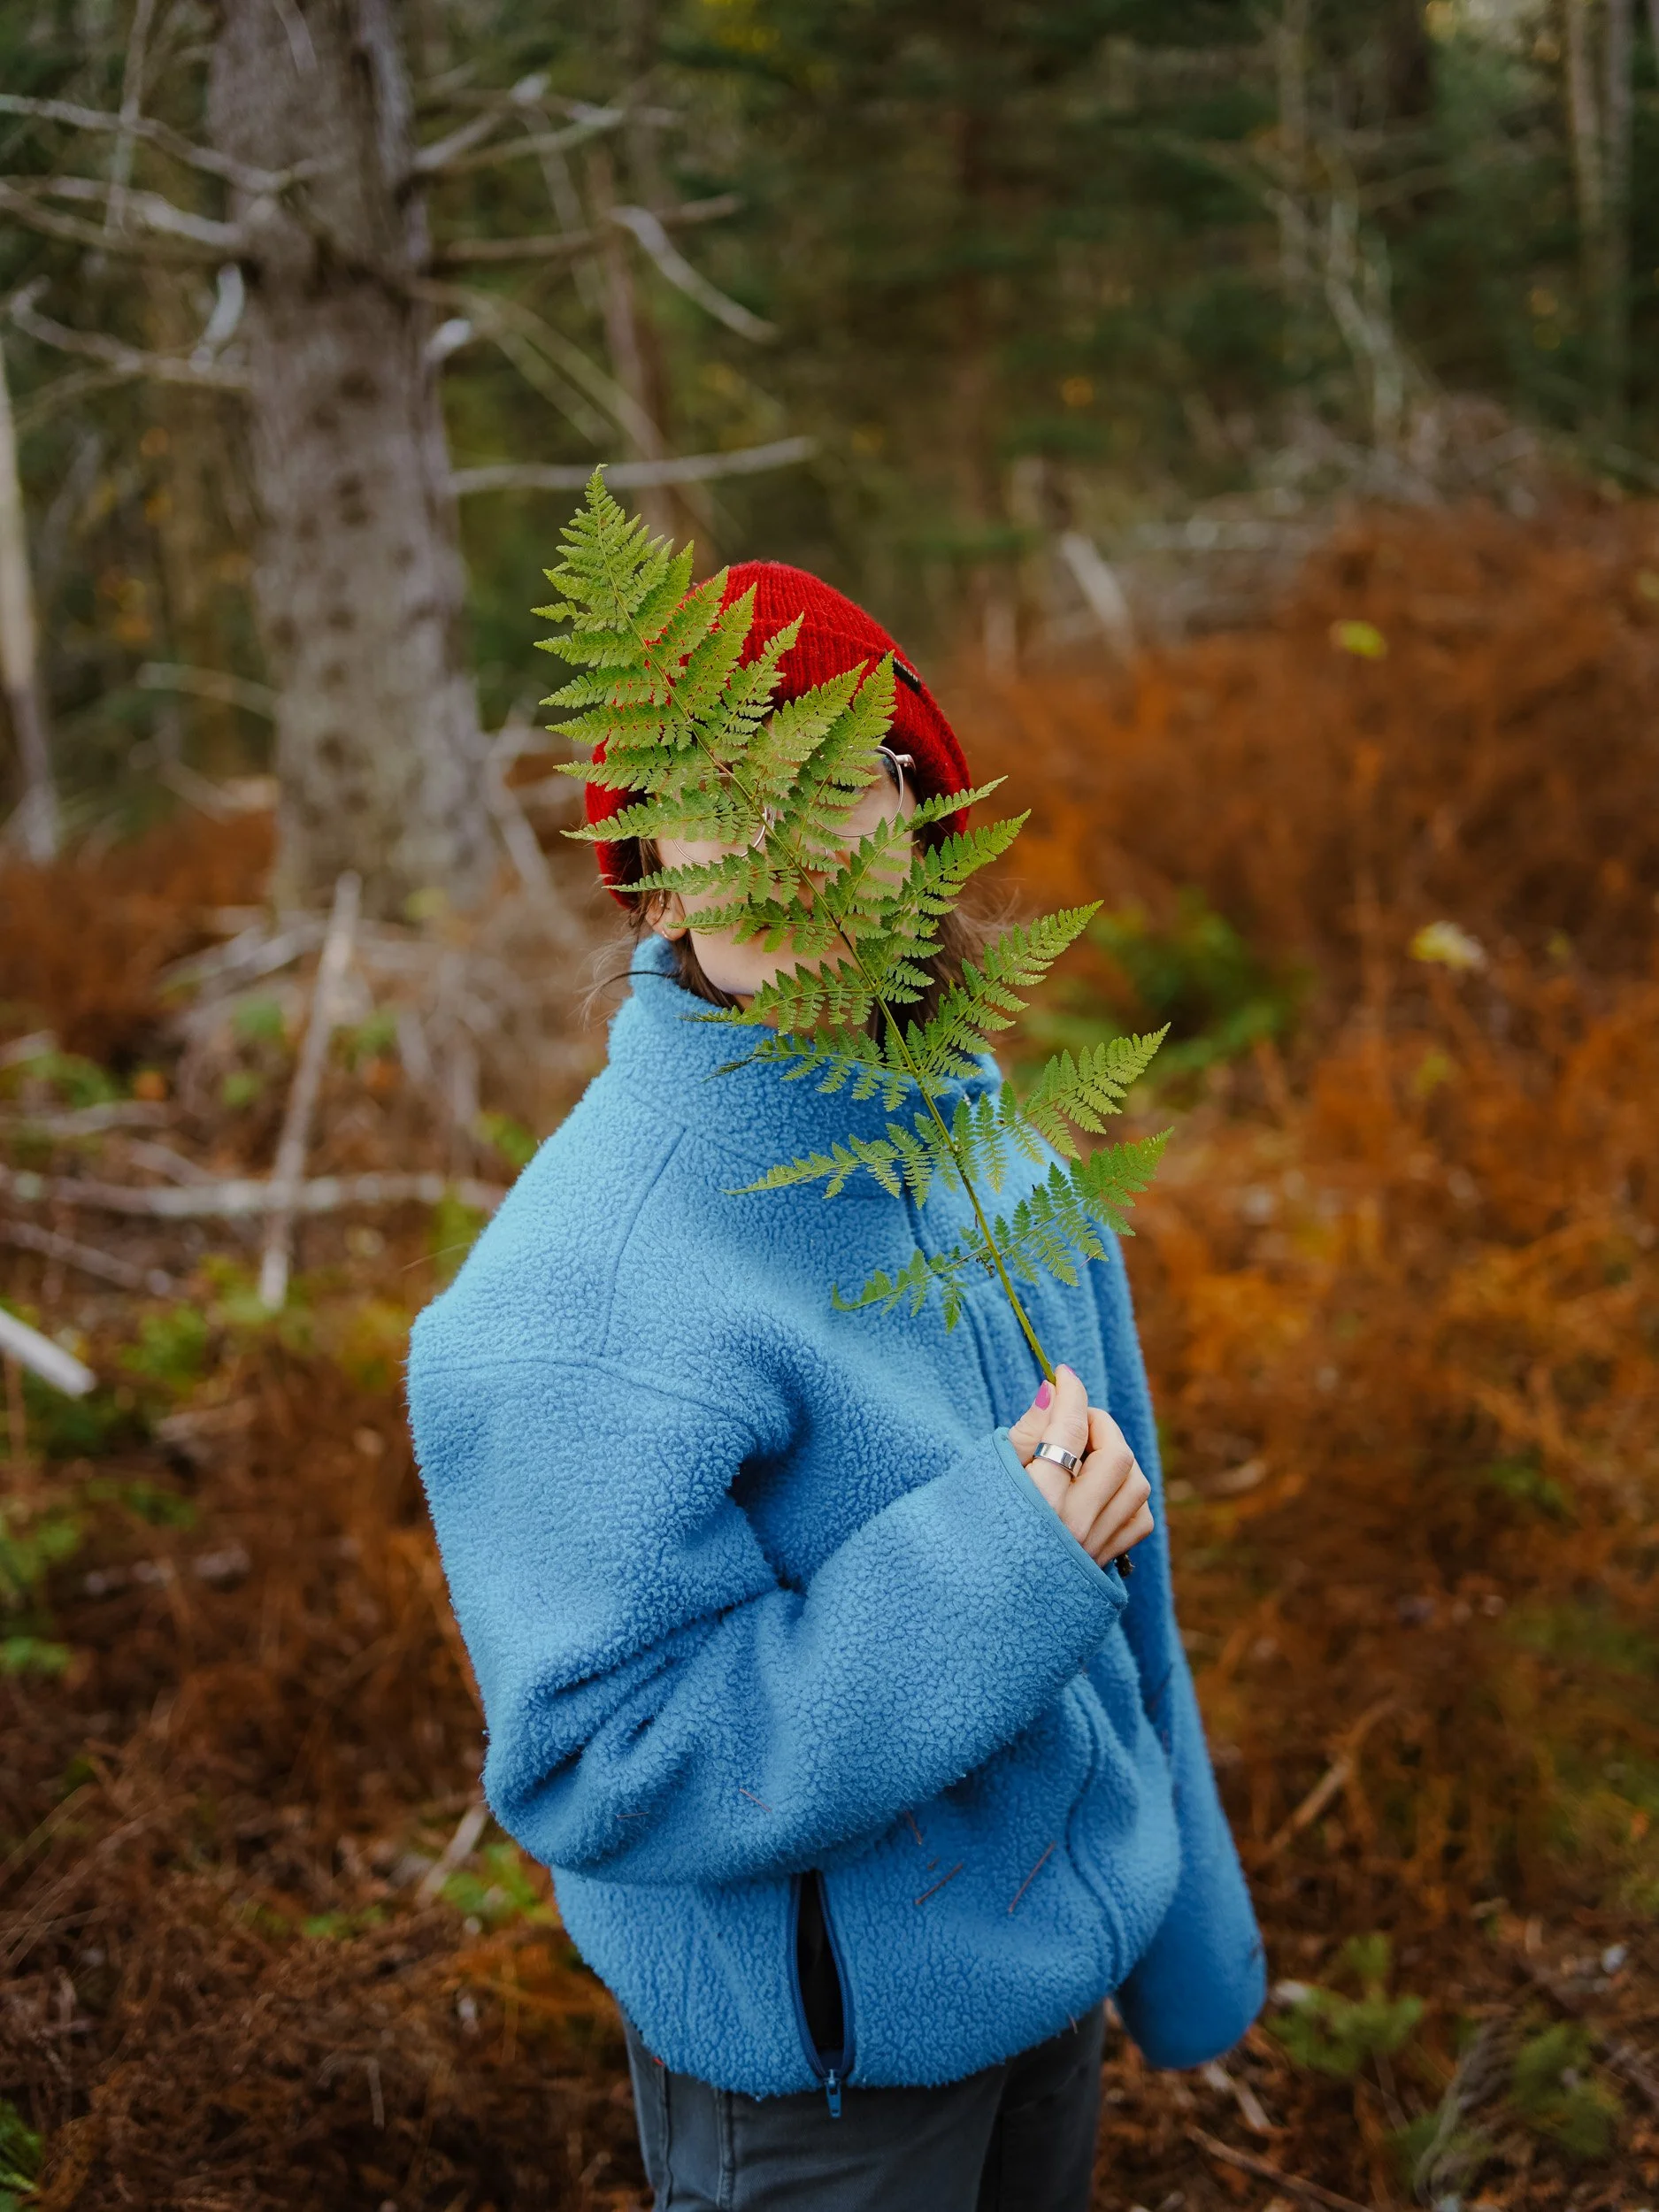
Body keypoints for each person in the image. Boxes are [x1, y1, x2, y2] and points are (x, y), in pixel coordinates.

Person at [406, 563, 1264, 2212]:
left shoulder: (980, 1134)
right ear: (648, 881)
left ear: (924, 818)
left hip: (1053, 1966)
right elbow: (602, 1760)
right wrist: (1001, 1570)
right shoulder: (576, 1303)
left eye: (834, 771)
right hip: (828, 2078)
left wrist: (1179, 1941)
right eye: (709, 797)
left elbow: (1135, 1590)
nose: (783, 834)